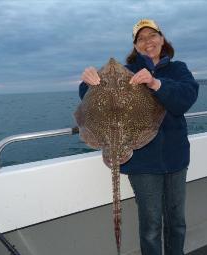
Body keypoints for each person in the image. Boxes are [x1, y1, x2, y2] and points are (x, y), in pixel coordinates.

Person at [79, 19, 199, 255]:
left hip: (175, 157)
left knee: (177, 221)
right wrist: (87, 82)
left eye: (152, 35)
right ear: (135, 46)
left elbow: (184, 100)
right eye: (141, 39)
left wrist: (155, 83)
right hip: (142, 161)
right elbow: (91, 98)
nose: (147, 42)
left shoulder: (178, 69)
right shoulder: (126, 72)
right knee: (151, 225)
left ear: (162, 39)